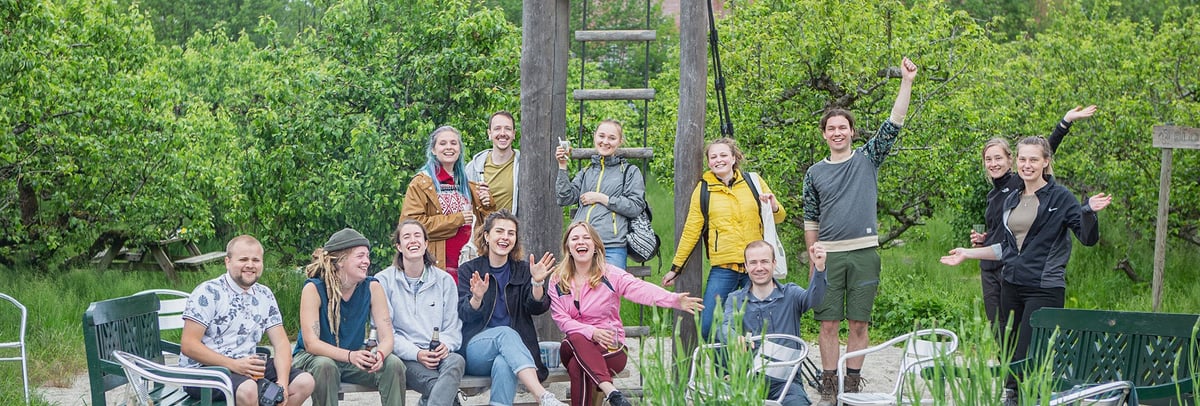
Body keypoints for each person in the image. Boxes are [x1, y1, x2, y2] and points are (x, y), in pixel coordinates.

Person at [940, 136, 1112, 405]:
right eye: (1022, 159)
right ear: (1016, 162)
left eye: (1033, 159)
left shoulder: (1061, 198)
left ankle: (1026, 398)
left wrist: (1088, 212)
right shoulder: (1012, 197)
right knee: (1008, 352)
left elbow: (1088, 240)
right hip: (1010, 285)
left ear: (1045, 162)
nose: (1027, 165)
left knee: (1027, 355)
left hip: (1044, 289)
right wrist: (967, 253)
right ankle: (1012, 397)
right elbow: (1005, 249)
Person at [801, 57, 917, 405]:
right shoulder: (814, 173)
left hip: (865, 252)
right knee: (827, 326)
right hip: (829, 255)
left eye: (843, 127)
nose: (837, 132)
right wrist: (813, 259)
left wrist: (906, 81)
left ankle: (851, 385)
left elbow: (894, 123)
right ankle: (828, 387)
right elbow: (810, 220)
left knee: (859, 325)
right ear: (824, 134)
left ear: (852, 131)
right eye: (831, 128)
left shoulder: (868, 158)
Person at [550, 221, 704, 406]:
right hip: (572, 346)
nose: (580, 242)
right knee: (575, 336)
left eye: (586, 237)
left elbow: (640, 289)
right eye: (575, 238)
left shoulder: (611, 274)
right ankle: (612, 392)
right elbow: (561, 319)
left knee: (578, 366)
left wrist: (673, 300)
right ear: (568, 246)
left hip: (610, 347)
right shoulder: (558, 279)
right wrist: (592, 332)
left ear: (596, 246)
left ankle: (610, 394)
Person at [970, 105, 1097, 327]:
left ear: (1011, 160)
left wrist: (1065, 122)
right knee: (999, 332)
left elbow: (1043, 150)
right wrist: (985, 238)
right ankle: (1005, 362)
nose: (993, 164)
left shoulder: (1019, 182)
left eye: (998, 158)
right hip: (991, 265)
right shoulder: (995, 195)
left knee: (1020, 338)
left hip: (1016, 268)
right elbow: (1007, 228)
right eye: (988, 159)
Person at [661, 137, 786, 339]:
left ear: (734, 158)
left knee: (758, 325)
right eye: (713, 157)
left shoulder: (753, 182)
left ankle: (753, 370)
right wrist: (676, 268)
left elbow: (780, 217)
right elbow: (692, 230)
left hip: (755, 267)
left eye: (723, 155)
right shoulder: (703, 189)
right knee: (709, 325)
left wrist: (773, 206)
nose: (718, 160)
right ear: (708, 162)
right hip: (723, 269)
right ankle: (725, 370)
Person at [180, 235, 315, 406]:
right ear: (227, 262)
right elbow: (188, 344)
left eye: (256, 260)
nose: (250, 265)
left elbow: (281, 343)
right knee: (249, 389)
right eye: (243, 259)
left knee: (304, 382)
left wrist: (282, 383)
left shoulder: (264, 294)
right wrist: (234, 365)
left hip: (247, 366)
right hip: (204, 372)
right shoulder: (208, 292)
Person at [456, 210, 565, 406]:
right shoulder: (469, 270)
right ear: (487, 236)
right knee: (505, 333)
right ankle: (543, 396)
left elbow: (536, 308)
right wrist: (477, 298)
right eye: (499, 231)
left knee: (504, 362)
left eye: (511, 233)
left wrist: (537, 283)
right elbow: (464, 313)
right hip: (476, 348)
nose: (505, 237)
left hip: (513, 351)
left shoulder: (523, 270)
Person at [291, 228, 406, 406]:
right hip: (313, 357)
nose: (366, 261)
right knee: (326, 366)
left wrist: (380, 355)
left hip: (353, 356)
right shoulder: (314, 288)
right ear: (341, 261)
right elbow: (311, 343)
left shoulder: (372, 287)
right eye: (360, 256)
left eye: (367, 256)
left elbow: (387, 337)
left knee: (393, 364)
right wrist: (350, 355)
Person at [719, 241, 828, 406]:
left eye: (764, 261)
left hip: (787, 382)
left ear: (774, 264)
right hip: (748, 380)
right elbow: (724, 327)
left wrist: (819, 269)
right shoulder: (736, 298)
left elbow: (815, 299)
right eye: (753, 263)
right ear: (746, 267)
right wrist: (733, 337)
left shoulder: (790, 293)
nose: (759, 267)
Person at [376, 219, 467, 406]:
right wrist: (417, 353)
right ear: (399, 246)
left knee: (457, 360)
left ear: (426, 243)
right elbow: (385, 334)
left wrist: (446, 345)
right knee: (442, 391)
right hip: (405, 357)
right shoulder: (383, 281)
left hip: (439, 355)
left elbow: (453, 326)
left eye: (418, 236)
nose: (413, 241)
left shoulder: (445, 281)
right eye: (407, 237)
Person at [402, 125, 497, 283]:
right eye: (443, 143)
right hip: (437, 268)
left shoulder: (469, 186)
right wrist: (457, 219)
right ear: (433, 150)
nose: (449, 147)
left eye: (453, 143)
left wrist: (488, 205)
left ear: (460, 149)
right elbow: (411, 227)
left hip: (469, 268)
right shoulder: (421, 184)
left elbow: (486, 229)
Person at [555, 119, 647, 269]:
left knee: (609, 290)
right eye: (601, 136)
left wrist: (603, 199)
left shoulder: (630, 172)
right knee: (577, 291)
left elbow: (636, 206)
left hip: (611, 246)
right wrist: (562, 166)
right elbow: (564, 198)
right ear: (595, 137)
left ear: (620, 141)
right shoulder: (586, 171)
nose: (605, 142)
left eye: (612, 138)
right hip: (580, 245)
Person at [466, 111, 522, 215]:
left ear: (514, 134)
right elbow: (465, 203)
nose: (502, 133)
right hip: (483, 229)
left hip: (513, 229)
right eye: (497, 128)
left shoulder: (524, 166)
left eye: (508, 129)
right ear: (489, 133)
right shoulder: (472, 168)